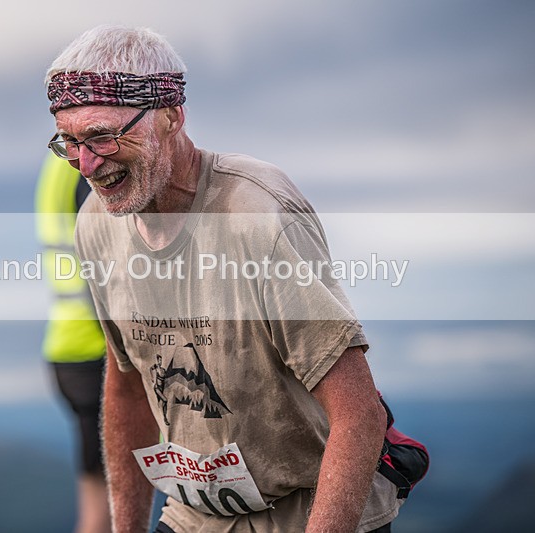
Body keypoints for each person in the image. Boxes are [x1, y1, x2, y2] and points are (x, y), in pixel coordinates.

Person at [44, 26, 400, 532]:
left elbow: (359, 414)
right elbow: (126, 385)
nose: (86, 163)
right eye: (70, 142)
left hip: (310, 510)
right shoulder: (97, 225)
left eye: (102, 135)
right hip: (195, 514)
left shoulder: (256, 214)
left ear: (171, 116)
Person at [35, 155, 111, 533]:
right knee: (108, 505)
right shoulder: (88, 163)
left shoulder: (56, 164)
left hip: (68, 346)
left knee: (97, 495)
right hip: (98, 350)